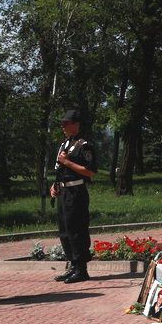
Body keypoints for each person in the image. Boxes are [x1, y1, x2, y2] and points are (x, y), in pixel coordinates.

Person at [50, 109, 97, 284]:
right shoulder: (64, 145)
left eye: (67, 123)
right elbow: (60, 170)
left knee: (76, 229)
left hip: (76, 192)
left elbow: (89, 172)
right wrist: (54, 186)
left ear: (76, 125)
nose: (63, 126)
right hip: (63, 192)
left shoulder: (84, 146)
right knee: (64, 230)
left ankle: (81, 268)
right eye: (62, 123)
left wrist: (68, 162)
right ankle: (72, 264)